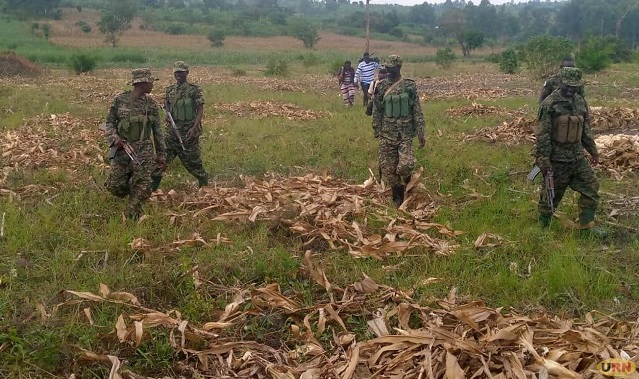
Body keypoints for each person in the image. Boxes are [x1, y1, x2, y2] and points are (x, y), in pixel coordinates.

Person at [536, 67, 606, 238]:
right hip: (556, 160)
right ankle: (542, 228)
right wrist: (543, 160)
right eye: (567, 86)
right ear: (560, 82)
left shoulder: (580, 102)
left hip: (577, 158)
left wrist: (593, 151)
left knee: (591, 187)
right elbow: (543, 134)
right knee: (551, 195)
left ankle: (586, 227)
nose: (570, 89)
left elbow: (585, 129)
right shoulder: (550, 104)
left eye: (574, 87)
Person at [104, 68, 166, 220]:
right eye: (150, 81)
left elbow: (157, 131)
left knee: (143, 186)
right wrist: (114, 138)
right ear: (141, 83)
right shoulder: (120, 100)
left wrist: (161, 154)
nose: (152, 84)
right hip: (122, 149)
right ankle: (132, 188)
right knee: (115, 187)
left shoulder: (151, 104)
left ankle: (132, 217)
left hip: (144, 150)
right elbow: (109, 123)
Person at [371, 55, 426, 207]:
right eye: (386, 67)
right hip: (386, 133)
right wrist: (376, 128)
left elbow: (416, 109)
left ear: (399, 67)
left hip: (405, 134)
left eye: (391, 67)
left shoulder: (409, 86)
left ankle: (408, 179)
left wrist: (421, 132)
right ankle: (397, 196)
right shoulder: (381, 86)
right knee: (389, 169)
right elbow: (377, 109)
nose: (388, 69)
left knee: (405, 165)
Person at [151, 61, 208, 191]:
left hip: (189, 133)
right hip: (171, 134)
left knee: (194, 164)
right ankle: (150, 191)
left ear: (187, 73)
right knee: (160, 163)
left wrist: (194, 128)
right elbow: (167, 108)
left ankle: (204, 186)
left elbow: (200, 109)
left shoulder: (194, 90)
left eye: (181, 72)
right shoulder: (169, 90)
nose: (178, 75)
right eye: (176, 72)